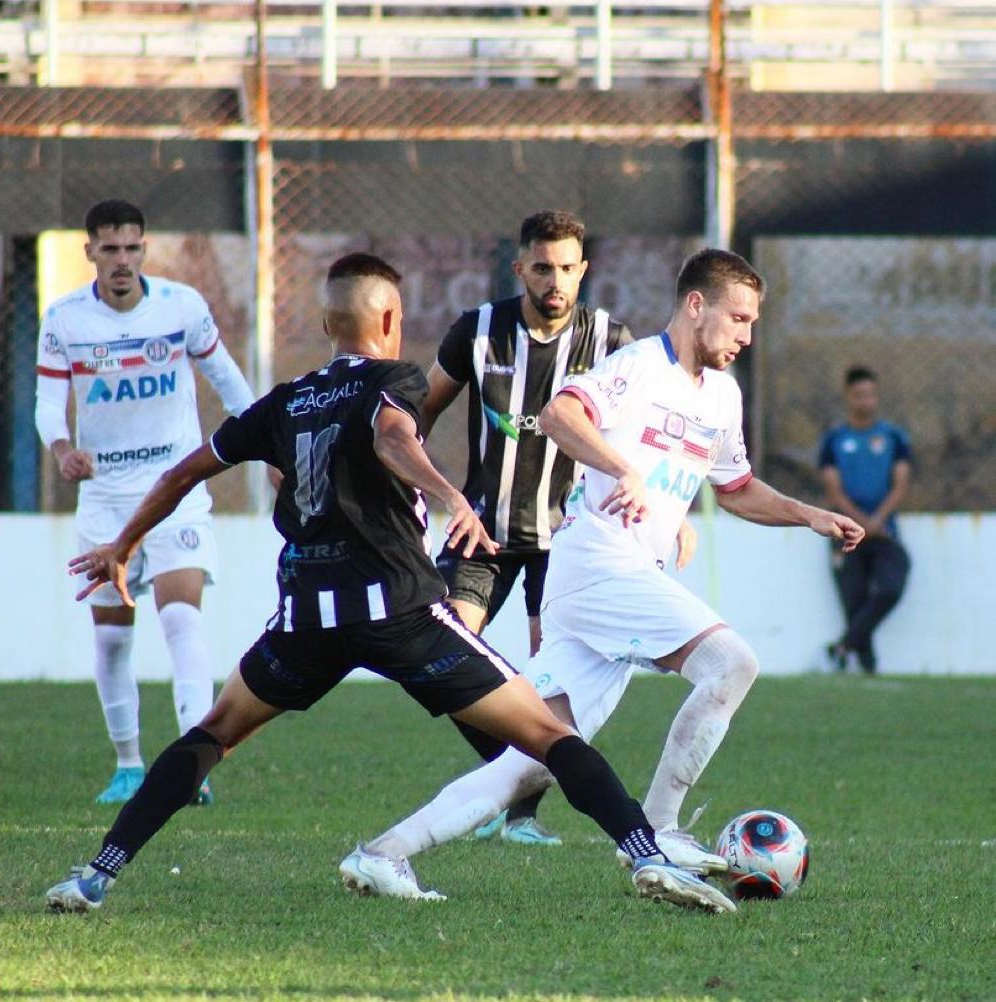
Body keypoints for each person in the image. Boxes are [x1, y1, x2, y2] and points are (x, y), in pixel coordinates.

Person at [44, 252, 736, 917]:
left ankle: (95, 875)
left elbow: (181, 475)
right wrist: (448, 495)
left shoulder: (283, 401)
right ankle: (649, 855)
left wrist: (122, 544)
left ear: (326, 326)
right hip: (399, 612)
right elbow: (393, 439)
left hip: (305, 618)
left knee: (214, 734)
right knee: (552, 736)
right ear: (389, 320)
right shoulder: (392, 379)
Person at [342, 248, 865, 895]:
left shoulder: (723, 397)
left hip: (602, 583)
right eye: (737, 319)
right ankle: (661, 830)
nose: (745, 337)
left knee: (532, 760)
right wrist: (623, 470)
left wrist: (809, 514)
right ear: (695, 305)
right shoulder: (641, 366)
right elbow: (562, 415)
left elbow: (735, 487)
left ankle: (384, 854)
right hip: (601, 564)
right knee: (732, 663)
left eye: (753, 323)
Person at [423, 209, 695, 847]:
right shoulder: (478, 330)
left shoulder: (612, 342)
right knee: (449, 655)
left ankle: (519, 815)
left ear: (584, 271)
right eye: (542, 267)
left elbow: (657, 431)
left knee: (552, 689)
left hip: (570, 540)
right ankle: (502, 778)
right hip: (484, 527)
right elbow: (419, 413)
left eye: (567, 268)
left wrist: (672, 513)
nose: (555, 281)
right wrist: (417, 493)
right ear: (519, 268)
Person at [34, 199, 257, 806]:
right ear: (90, 254)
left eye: (133, 247)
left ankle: (192, 764)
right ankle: (129, 765)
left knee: (182, 618)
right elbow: (48, 404)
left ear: (145, 249)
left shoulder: (182, 307)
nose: (123, 260)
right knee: (112, 638)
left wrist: (270, 439)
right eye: (110, 249)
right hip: (105, 500)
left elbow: (228, 379)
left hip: (176, 490)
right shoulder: (65, 320)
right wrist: (60, 449)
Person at [820, 366, 912, 674]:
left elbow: (900, 484)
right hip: (845, 534)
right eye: (859, 395)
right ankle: (867, 666)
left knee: (891, 587)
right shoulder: (834, 440)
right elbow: (834, 491)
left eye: (871, 395)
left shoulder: (893, 437)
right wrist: (861, 522)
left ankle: (843, 645)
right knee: (854, 600)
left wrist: (877, 520)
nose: (866, 401)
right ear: (848, 396)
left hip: (885, 532)